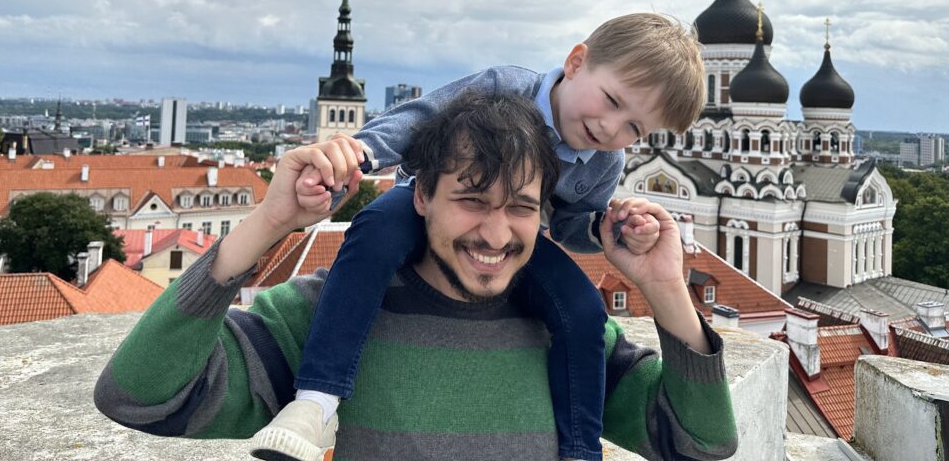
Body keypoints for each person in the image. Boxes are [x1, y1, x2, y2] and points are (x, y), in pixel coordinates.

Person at [93, 91, 737, 461]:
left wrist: (666, 289)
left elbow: (700, 445)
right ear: (420, 194)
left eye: (521, 207)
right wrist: (267, 222)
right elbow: (141, 397)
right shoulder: (328, 319)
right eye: (472, 200)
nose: (495, 233)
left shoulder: (566, 334)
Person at [253, 12, 705, 461]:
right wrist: (363, 153)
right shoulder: (505, 86)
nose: (611, 128)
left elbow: (570, 226)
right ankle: (316, 403)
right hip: (432, 202)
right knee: (373, 230)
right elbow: (422, 117)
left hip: (514, 236)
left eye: (634, 128)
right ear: (576, 62)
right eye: (611, 100)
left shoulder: (606, 161)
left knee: (584, 309)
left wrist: (606, 229)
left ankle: (580, 451)